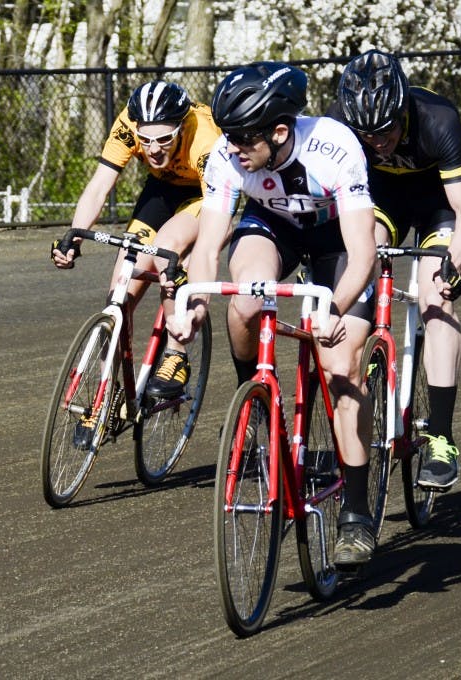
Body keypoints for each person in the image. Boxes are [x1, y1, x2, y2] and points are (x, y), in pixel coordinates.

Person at [165, 62, 380, 566]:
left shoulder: (334, 146)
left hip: (335, 238)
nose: (232, 146)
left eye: (243, 137)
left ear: (280, 131)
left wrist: (336, 310)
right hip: (274, 225)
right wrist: (194, 304)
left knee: (341, 366)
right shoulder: (227, 156)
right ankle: (256, 401)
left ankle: (356, 508)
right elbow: (210, 244)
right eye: (229, 135)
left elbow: (363, 254)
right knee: (243, 301)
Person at [328, 49, 461, 492]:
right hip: (383, 200)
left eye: (387, 129)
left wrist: (453, 265)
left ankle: (442, 438)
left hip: (439, 206)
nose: (378, 141)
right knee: (361, 259)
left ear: (403, 109)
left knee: (436, 299)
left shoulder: (438, 119)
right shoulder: (337, 121)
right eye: (367, 134)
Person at [51, 79, 221, 400]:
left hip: (206, 194)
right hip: (162, 189)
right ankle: (106, 396)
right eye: (145, 139)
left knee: (168, 248)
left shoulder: (206, 140)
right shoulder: (128, 122)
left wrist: (184, 266)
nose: (153, 149)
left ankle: (175, 353)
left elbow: (217, 216)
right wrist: (73, 238)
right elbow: (100, 185)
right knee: (119, 292)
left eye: (164, 139)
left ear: (182, 128)